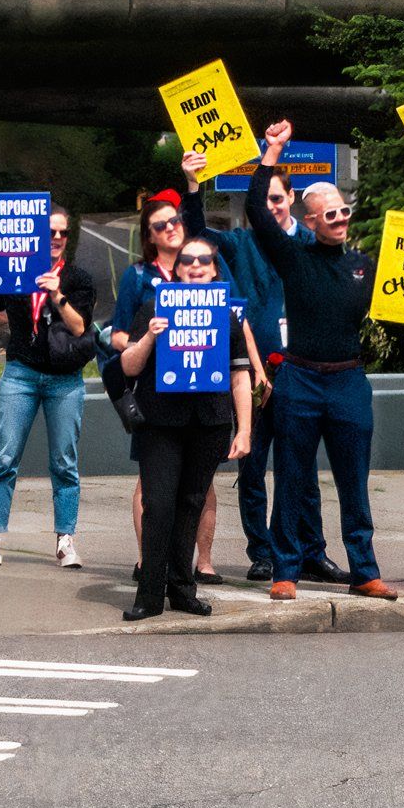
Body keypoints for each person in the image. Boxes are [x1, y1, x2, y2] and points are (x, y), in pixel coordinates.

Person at [245, 121, 397, 601]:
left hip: (349, 381)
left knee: (355, 481)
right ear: (308, 221)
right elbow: (255, 210)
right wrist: (273, 150)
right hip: (300, 379)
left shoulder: (361, 265)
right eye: (329, 213)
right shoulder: (294, 257)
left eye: (344, 210)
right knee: (292, 478)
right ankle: (285, 570)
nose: (339, 218)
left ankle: (365, 571)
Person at [117, 231, 255, 620]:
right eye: (187, 261)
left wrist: (244, 429)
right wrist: (149, 337)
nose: (195, 266)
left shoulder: (228, 318)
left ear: (214, 272)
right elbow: (128, 366)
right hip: (160, 422)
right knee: (158, 504)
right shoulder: (152, 307)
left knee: (191, 503)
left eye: (203, 261)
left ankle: (182, 590)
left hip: (209, 423)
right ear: (175, 271)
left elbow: (240, 377)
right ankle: (149, 593)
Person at [196, 150, 320, 582]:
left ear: (291, 199)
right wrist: (195, 185)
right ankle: (262, 551)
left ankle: (312, 551)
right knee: (253, 467)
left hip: (304, 371)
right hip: (253, 374)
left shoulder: (311, 242)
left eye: (278, 198)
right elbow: (195, 233)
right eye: (264, 200)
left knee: (302, 467)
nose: (272, 206)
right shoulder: (240, 244)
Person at [0, 204, 95, 570]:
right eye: (50, 232)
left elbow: (78, 327)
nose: (57, 239)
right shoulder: (13, 270)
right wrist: (12, 323)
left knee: (64, 461)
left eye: (63, 233)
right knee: (6, 456)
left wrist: (57, 296)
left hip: (65, 379)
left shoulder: (78, 278)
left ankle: (65, 539)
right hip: (21, 373)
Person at [107, 191, 201, 577]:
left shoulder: (198, 267)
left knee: (196, 485)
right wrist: (144, 345)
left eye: (175, 221)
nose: (171, 228)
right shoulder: (138, 276)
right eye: (161, 225)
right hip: (154, 391)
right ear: (150, 236)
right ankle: (148, 561)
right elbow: (116, 335)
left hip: (196, 388)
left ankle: (192, 564)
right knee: (149, 482)